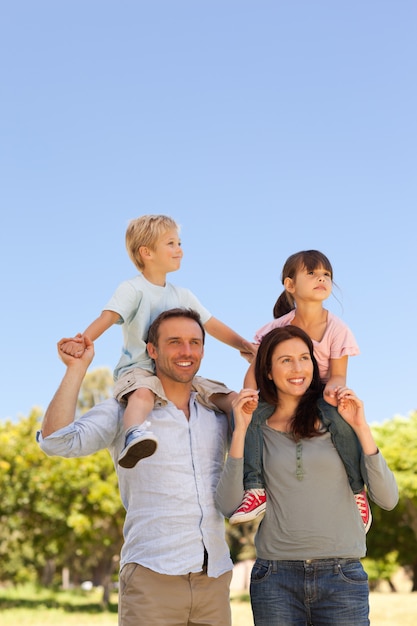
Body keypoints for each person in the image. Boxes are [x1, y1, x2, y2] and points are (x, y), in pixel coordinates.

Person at [38, 308, 236, 626]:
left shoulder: (216, 413)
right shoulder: (127, 409)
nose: (187, 351)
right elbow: (56, 441)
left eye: (194, 343)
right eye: (174, 342)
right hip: (151, 578)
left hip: (214, 578)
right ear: (152, 350)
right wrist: (76, 370)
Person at [216, 325, 399, 626]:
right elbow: (227, 505)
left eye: (304, 358)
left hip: (342, 578)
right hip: (275, 579)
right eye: (285, 360)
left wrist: (361, 427)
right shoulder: (256, 427)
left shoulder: (338, 418)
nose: (298, 367)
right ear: (269, 371)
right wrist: (241, 429)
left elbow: (388, 499)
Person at [60, 214, 255, 468]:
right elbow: (107, 318)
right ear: (147, 252)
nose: (180, 250)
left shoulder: (182, 295)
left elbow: (213, 325)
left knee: (222, 394)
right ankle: (134, 435)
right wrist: (83, 341)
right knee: (142, 395)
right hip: (138, 370)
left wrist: (246, 346)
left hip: (175, 373)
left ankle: (247, 438)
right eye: (171, 244)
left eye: (180, 243)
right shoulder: (133, 289)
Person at [229, 249, 369, 529]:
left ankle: (357, 491)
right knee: (251, 416)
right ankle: (256, 489)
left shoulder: (337, 328)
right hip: (282, 392)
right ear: (290, 285)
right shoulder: (276, 328)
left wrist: (334, 391)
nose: (322, 279)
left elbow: (339, 374)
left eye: (326, 275)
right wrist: (248, 397)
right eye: (312, 273)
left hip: (320, 392)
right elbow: (256, 370)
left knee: (340, 421)